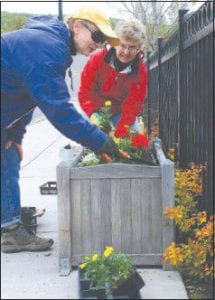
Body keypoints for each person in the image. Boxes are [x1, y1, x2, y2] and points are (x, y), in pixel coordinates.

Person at [1, 7, 120, 253]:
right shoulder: (45, 48)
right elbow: (58, 110)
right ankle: (11, 230)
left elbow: (26, 98)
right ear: (77, 26)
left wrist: (15, 135)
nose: (98, 46)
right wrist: (99, 141)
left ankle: (11, 230)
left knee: (8, 156)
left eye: (103, 42)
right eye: (97, 37)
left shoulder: (49, 45)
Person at [78, 19, 148, 138]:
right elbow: (85, 92)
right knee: (88, 137)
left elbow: (134, 104)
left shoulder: (140, 72)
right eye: (122, 45)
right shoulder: (96, 59)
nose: (126, 52)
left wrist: (121, 130)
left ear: (139, 49)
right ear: (115, 43)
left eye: (132, 47)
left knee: (132, 141)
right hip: (94, 110)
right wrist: (93, 115)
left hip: (118, 113)